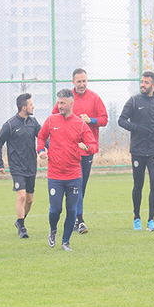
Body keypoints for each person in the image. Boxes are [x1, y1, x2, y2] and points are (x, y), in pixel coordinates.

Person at [38, 89, 96, 251]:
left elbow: (92, 145)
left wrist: (87, 148)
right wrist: (41, 150)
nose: (60, 105)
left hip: (74, 175)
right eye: (59, 102)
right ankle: (53, 229)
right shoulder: (51, 120)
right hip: (55, 175)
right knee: (55, 209)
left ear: (71, 104)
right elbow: (41, 137)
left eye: (63, 103)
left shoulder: (80, 124)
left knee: (72, 209)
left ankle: (65, 242)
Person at [51, 68, 107, 234]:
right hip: (70, 151)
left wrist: (91, 120)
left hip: (87, 150)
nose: (82, 84)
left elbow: (104, 119)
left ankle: (74, 217)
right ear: (73, 82)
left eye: (84, 81)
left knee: (80, 187)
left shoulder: (94, 98)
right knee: (75, 185)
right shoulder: (67, 99)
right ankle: (79, 220)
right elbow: (54, 116)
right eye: (79, 81)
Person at [117, 71, 154, 232]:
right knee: (138, 184)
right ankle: (136, 218)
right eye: (142, 82)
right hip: (138, 150)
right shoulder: (134, 101)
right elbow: (121, 120)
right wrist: (137, 128)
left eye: (146, 82)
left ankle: (151, 220)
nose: (142, 85)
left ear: (153, 85)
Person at [0, 93, 41, 239]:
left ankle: (20, 221)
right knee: (21, 195)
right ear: (23, 107)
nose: (33, 107)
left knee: (29, 199)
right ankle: (22, 226)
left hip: (31, 166)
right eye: (31, 104)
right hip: (17, 167)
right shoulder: (10, 124)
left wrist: (51, 149)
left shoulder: (34, 123)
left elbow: (44, 138)